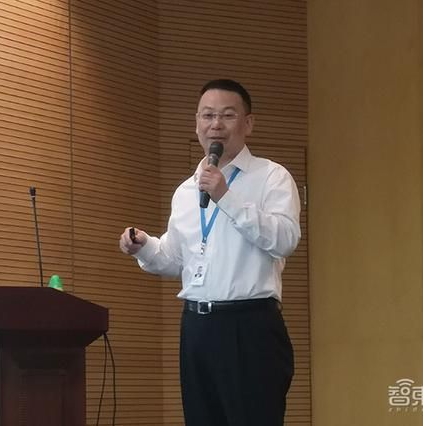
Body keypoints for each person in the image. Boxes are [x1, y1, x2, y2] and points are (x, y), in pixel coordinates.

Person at [119, 79, 301, 426]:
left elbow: (285, 239)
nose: (216, 124)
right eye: (207, 115)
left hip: (250, 328)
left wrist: (226, 197)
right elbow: (176, 258)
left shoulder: (271, 177)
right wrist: (144, 246)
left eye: (227, 115)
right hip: (197, 328)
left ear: (248, 123)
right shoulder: (186, 191)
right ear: (197, 124)